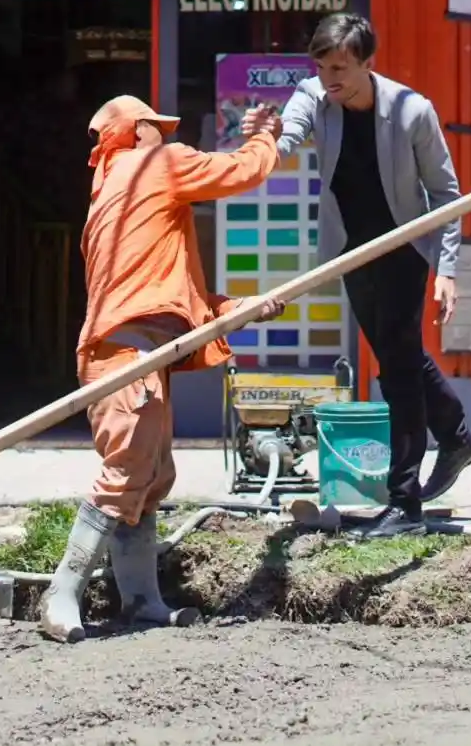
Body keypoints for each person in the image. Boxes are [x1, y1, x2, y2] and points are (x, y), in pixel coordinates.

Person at [39, 94, 286, 644]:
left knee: (149, 479)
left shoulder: (115, 194)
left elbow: (166, 294)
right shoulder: (156, 164)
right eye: (158, 127)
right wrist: (268, 135)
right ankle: (61, 593)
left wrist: (232, 310)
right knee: (126, 473)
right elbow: (245, 169)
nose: (170, 137)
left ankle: (143, 600)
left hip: (132, 352)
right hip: (127, 357)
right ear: (138, 131)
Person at [241, 13, 471, 540]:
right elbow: (287, 138)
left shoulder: (412, 111)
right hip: (352, 250)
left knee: (395, 370)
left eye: (341, 68)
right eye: (323, 66)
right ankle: (457, 435)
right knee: (399, 354)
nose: (330, 77)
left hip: (403, 248)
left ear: (367, 64)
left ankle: (405, 503)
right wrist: (262, 140)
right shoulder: (313, 96)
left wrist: (447, 269)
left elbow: (446, 194)